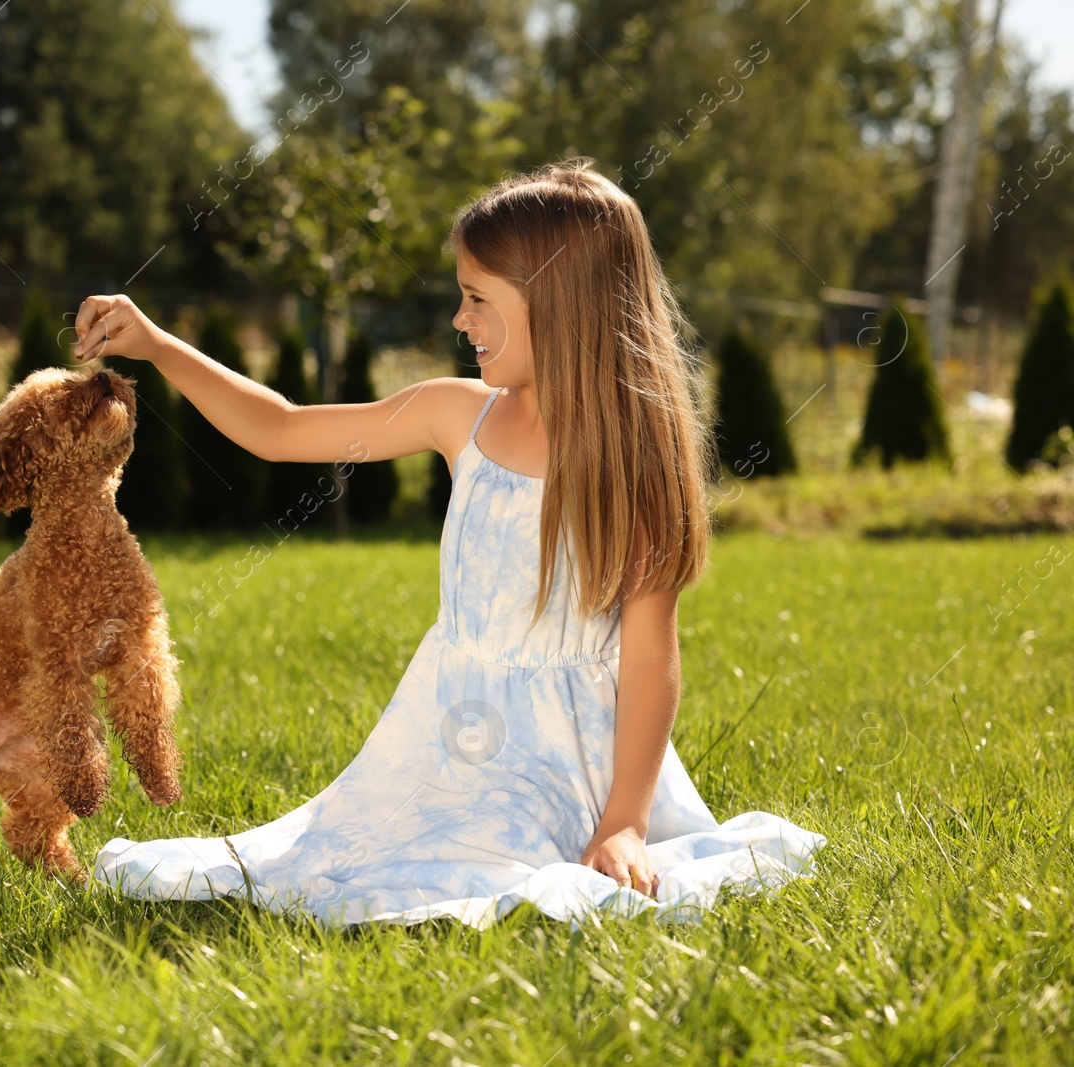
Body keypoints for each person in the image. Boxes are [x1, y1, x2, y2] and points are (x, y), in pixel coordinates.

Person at [67, 158, 826, 928]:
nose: (460, 320)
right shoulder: (455, 413)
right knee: (342, 860)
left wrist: (624, 820)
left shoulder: (631, 470)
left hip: (566, 759)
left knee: (478, 871)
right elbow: (280, 427)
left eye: (477, 299)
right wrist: (158, 344)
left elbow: (651, 660)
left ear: (560, 307)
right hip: (441, 735)